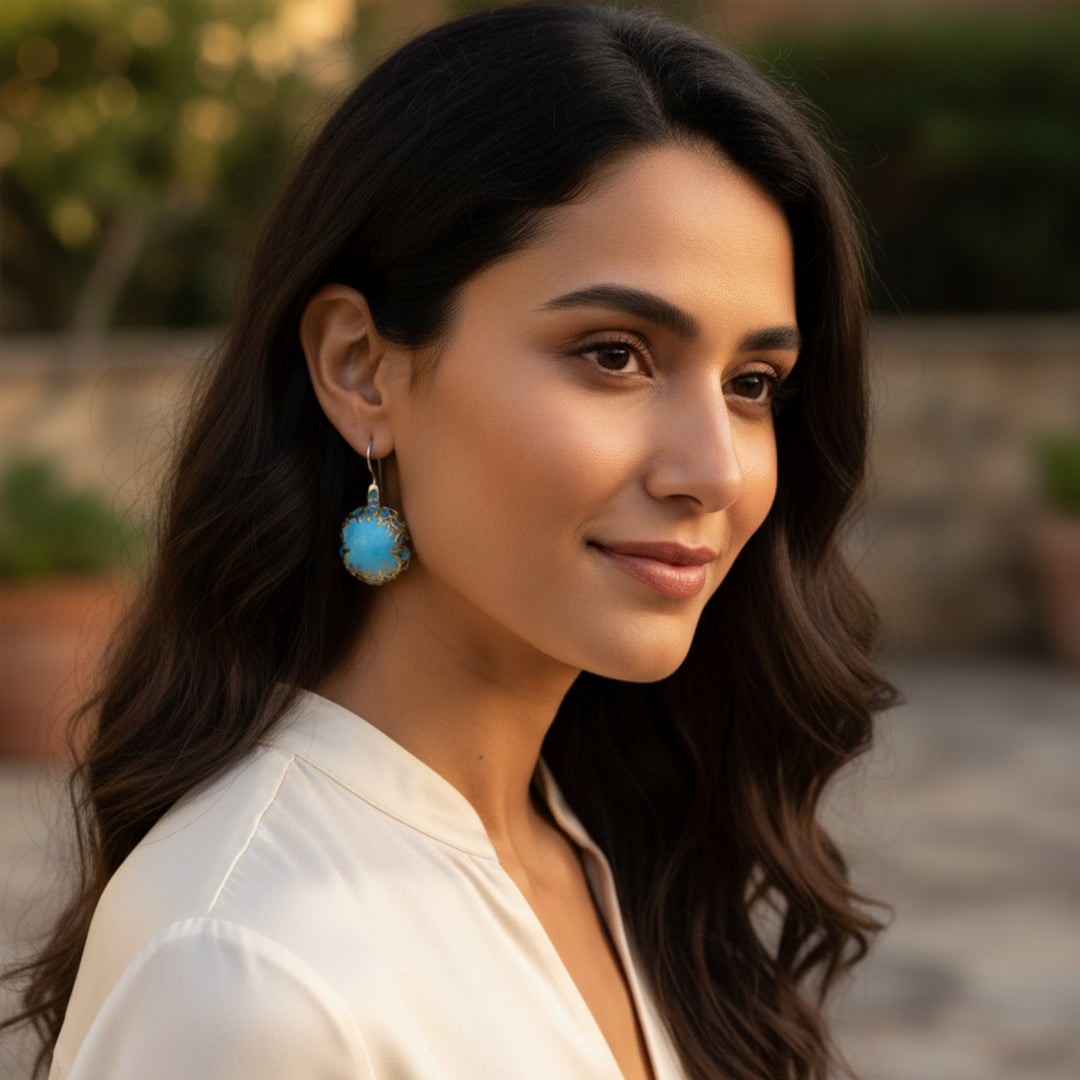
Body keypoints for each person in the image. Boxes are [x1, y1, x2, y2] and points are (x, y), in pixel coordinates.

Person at [4, 3, 897, 1078]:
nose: (713, 470)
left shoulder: (598, 841)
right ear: (360, 368)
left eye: (753, 384)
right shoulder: (249, 975)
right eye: (614, 354)